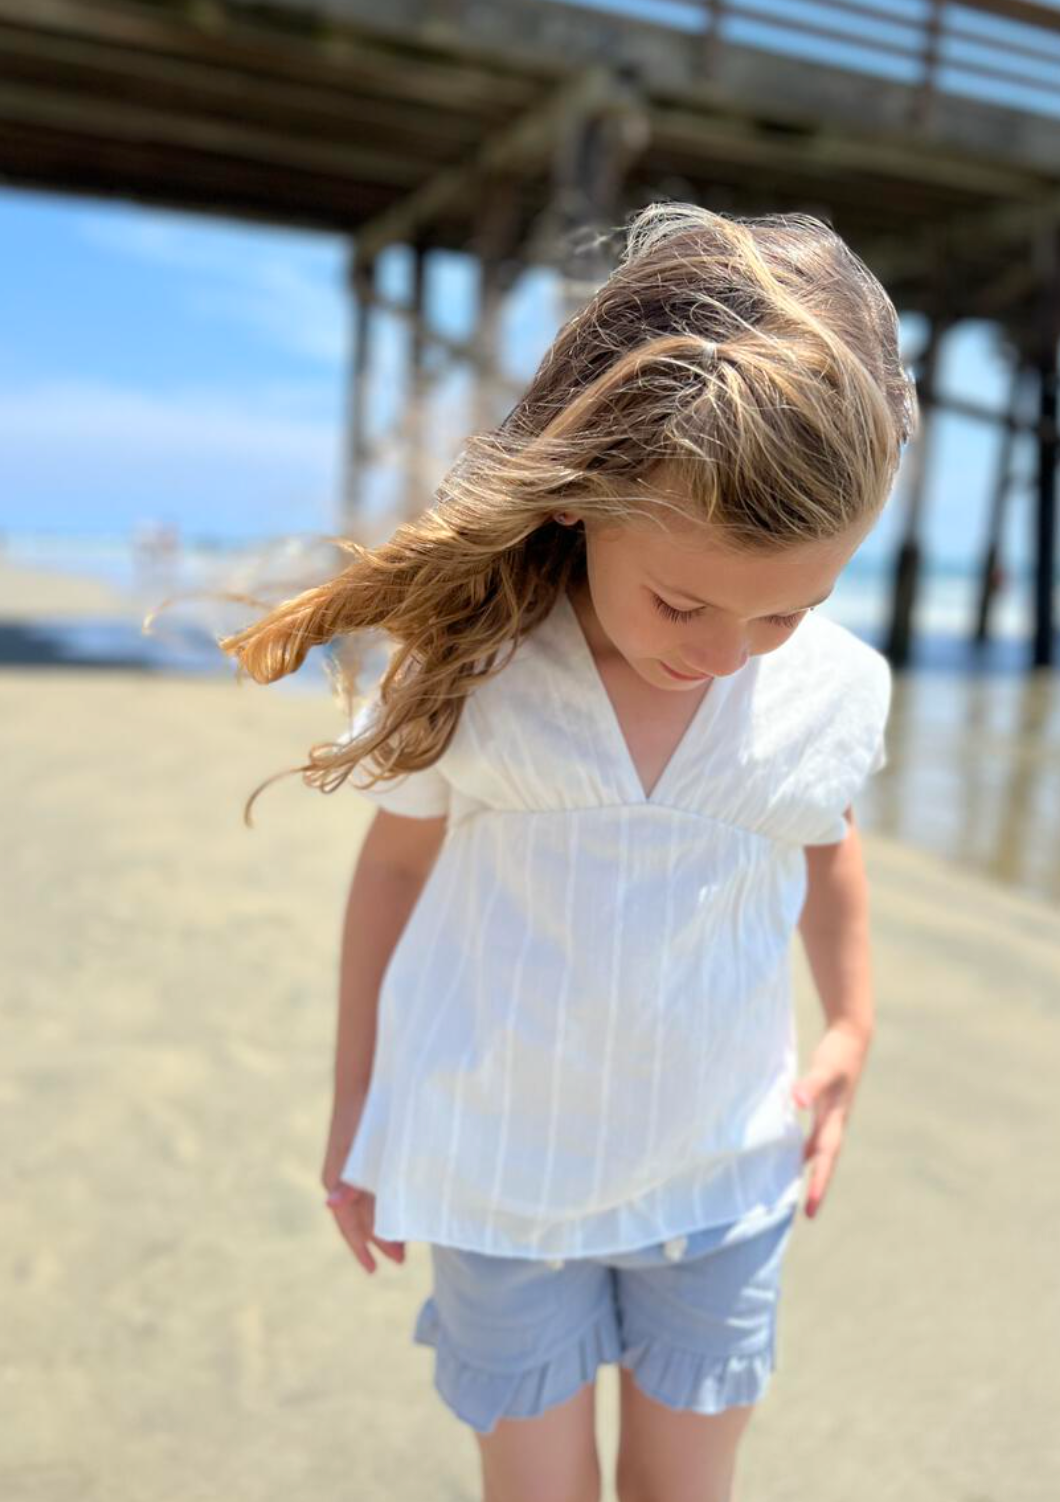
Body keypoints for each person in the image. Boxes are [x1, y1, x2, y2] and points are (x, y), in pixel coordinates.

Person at [217, 202, 918, 1502]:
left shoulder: (830, 687)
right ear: (590, 494)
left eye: (787, 608)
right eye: (681, 599)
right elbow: (391, 870)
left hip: (721, 1176)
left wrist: (853, 1026)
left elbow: (831, 847)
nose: (723, 649)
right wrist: (355, 1098)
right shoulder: (480, 669)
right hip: (502, 1171)